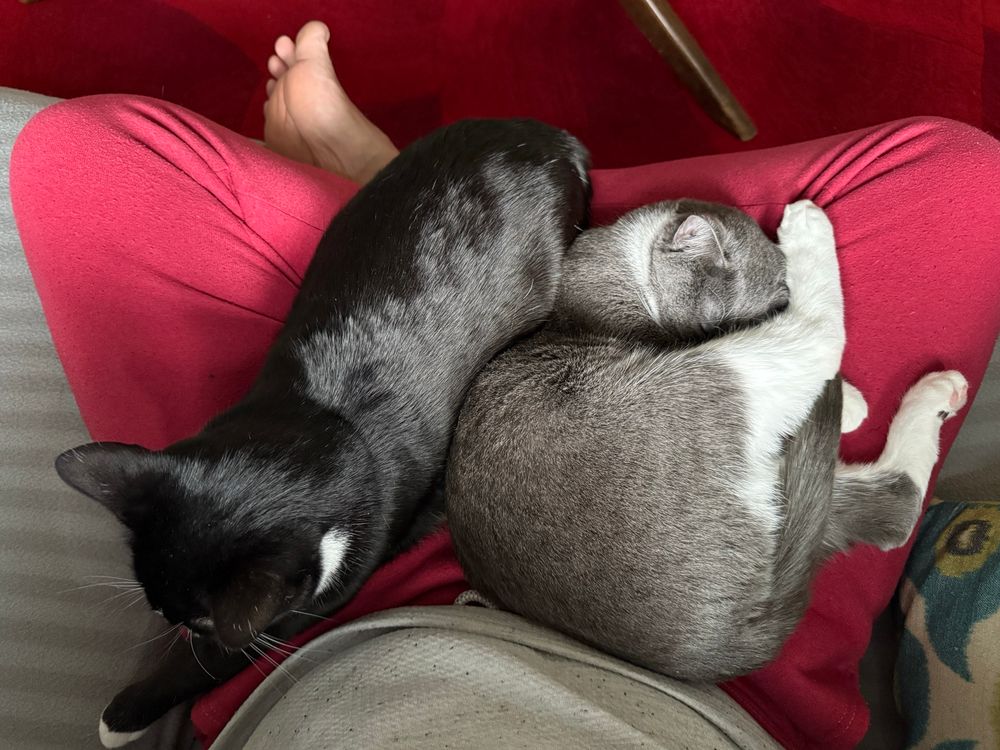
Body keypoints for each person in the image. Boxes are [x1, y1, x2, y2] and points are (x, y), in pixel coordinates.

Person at [10, 20, 1000, 750]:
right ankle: (478, 228)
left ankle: (439, 214)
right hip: (702, 643)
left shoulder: (256, 608)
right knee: (964, 189)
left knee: (74, 165)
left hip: (337, 644)